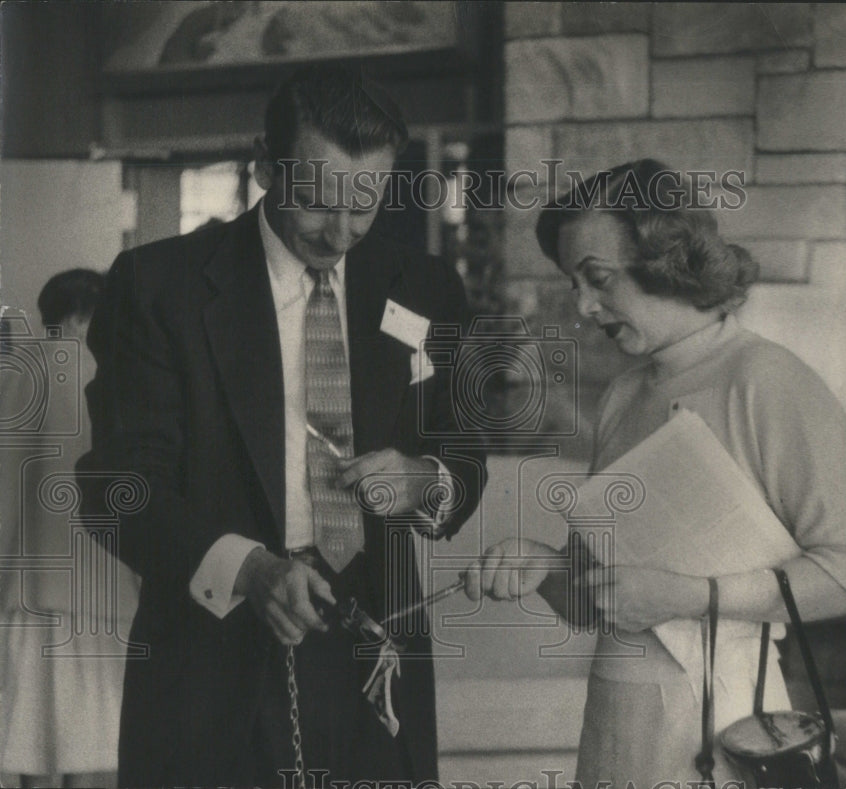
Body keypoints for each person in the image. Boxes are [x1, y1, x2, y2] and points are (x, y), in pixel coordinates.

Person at [77, 65, 485, 787]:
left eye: (366, 202)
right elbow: (119, 487)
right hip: (212, 662)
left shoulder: (423, 287)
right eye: (317, 200)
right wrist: (250, 568)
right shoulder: (158, 286)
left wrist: (428, 479)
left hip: (375, 661)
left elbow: (461, 450)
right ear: (266, 166)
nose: (342, 230)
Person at [464, 160, 846, 787]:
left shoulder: (767, 380)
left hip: (724, 727)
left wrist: (692, 596)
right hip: (616, 722)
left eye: (598, 278)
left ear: (667, 259)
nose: (584, 306)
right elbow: (600, 605)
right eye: (574, 283)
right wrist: (545, 567)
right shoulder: (624, 394)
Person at [0, 269, 140, 788]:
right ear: (86, 317)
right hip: (103, 585)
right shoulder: (115, 375)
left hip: (29, 583)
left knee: (31, 728)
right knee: (89, 731)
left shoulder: (18, 371)